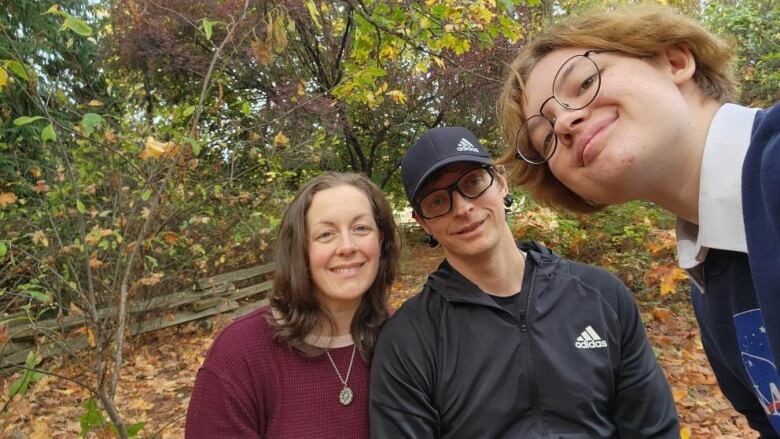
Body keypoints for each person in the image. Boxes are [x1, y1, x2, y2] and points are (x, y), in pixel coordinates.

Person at [497, 4, 780, 435]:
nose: (567, 122)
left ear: (675, 60)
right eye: (547, 136)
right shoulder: (709, 286)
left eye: (585, 82)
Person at [369, 126, 679, 437]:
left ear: (501, 183)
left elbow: (653, 429)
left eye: (473, 183)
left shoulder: (601, 295)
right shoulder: (409, 340)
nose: (463, 207)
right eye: (438, 201)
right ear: (422, 221)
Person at [185, 172, 400, 438]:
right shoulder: (240, 354)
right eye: (326, 234)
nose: (347, 246)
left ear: (381, 241)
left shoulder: (406, 340)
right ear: (299, 250)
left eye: (361, 228)